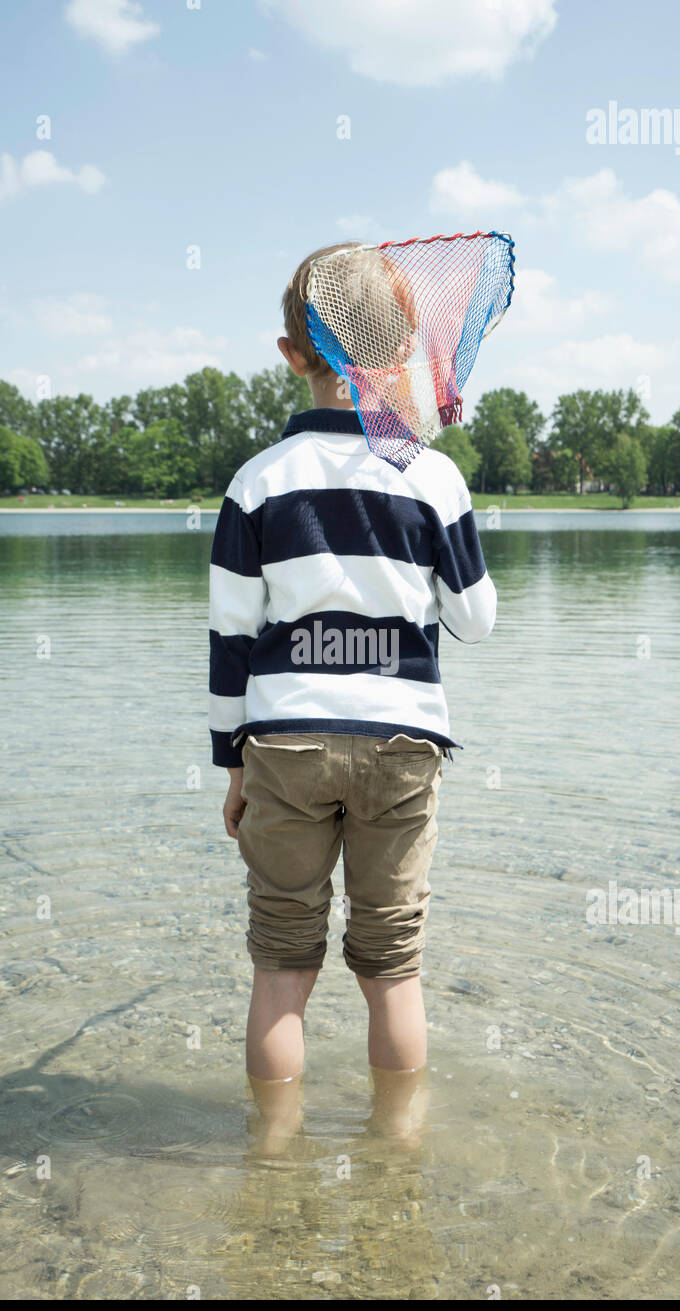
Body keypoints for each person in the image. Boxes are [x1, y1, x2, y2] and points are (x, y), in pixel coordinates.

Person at [208, 240, 497, 1141]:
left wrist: (231, 767)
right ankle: (396, 1153)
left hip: (285, 742)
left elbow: (231, 643)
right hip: (403, 741)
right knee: (392, 966)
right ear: (404, 346)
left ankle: (276, 1154)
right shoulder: (431, 474)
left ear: (292, 355)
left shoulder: (256, 483)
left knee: (283, 967)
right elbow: (476, 619)